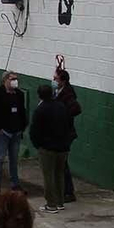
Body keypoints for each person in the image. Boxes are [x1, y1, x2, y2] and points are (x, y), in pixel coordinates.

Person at [29, 84, 75, 212]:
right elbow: (68, 125)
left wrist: (38, 144)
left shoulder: (40, 109)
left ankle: (51, 204)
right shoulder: (61, 106)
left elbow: (34, 131)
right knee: (59, 174)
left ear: (39, 95)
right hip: (62, 147)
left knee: (48, 176)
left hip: (47, 148)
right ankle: (60, 202)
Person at [0, 72, 28, 193]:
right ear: (5, 80)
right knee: (0, 158)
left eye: (16, 79)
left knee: (14, 159)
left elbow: (22, 111)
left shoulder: (19, 94)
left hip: (16, 131)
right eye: (12, 79)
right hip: (4, 132)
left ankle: (15, 183)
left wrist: (23, 126)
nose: (15, 81)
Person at [53, 67, 81, 203]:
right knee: (61, 162)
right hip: (62, 132)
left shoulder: (68, 94)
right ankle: (65, 190)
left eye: (56, 79)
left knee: (62, 162)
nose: (54, 81)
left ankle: (68, 191)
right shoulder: (59, 92)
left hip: (65, 133)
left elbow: (76, 108)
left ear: (62, 81)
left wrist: (62, 117)